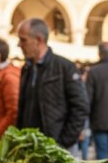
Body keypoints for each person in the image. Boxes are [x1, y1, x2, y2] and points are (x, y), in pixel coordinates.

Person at [16, 18, 88, 154]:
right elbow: (23, 107)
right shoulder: (27, 68)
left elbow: (80, 107)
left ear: (39, 39)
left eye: (23, 40)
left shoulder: (65, 67)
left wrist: (62, 142)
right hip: (31, 146)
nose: (19, 44)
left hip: (57, 148)